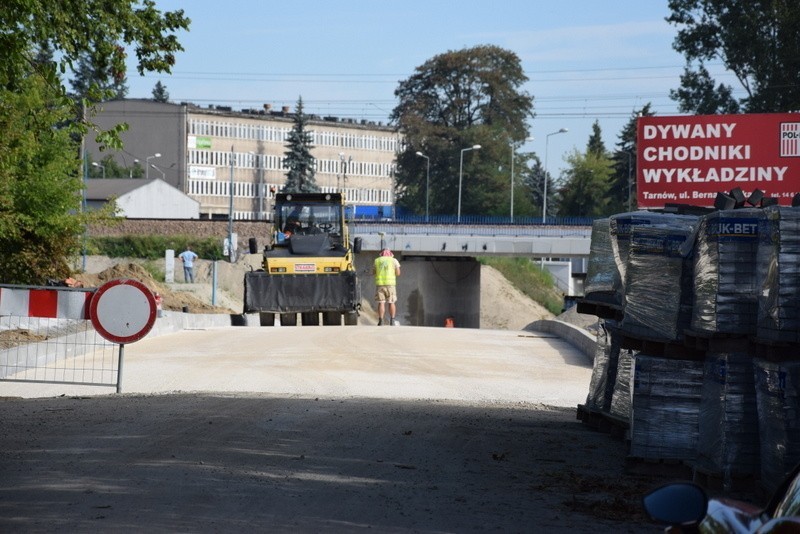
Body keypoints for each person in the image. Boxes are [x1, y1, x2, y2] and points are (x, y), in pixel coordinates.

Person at [373, 248, 401, 326]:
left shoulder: (377, 261)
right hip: (391, 285)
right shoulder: (394, 260)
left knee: (381, 303)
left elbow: (374, 272)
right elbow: (398, 273)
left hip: (380, 284)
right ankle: (392, 321)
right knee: (391, 302)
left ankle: (381, 321)